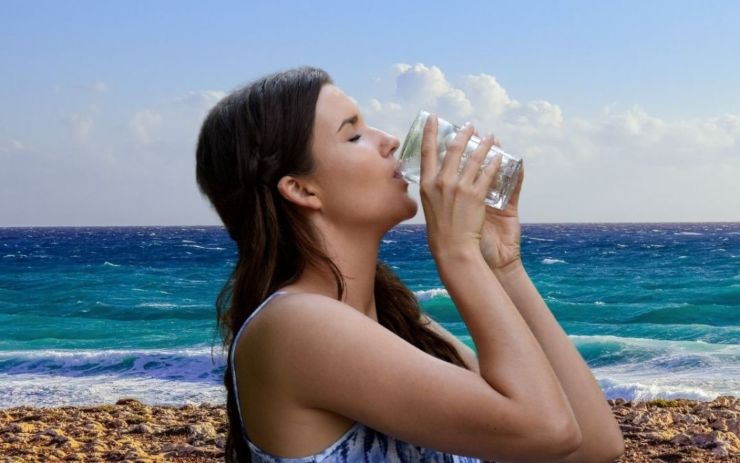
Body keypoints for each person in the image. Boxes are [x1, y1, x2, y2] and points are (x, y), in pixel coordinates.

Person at [195, 66, 624, 463]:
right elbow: (548, 429)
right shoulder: (293, 324)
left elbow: (594, 446)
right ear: (301, 189)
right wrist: (457, 253)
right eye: (354, 135)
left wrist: (503, 267)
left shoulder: (403, 325)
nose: (391, 141)